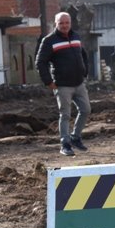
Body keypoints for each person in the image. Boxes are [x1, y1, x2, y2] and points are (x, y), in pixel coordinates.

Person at [36, 11, 90, 156]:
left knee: (85, 110)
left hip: (79, 83)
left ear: (70, 23)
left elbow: (83, 55)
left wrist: (85, 72)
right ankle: (65, 144)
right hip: (62, 85)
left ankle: (75, 138)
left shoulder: (76, 37)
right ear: (56, 24)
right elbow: (40, 62)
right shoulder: (49, 41)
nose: (64, 25)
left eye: (67, 23)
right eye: (61, 23)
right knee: (65, 115)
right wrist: (48, 82)